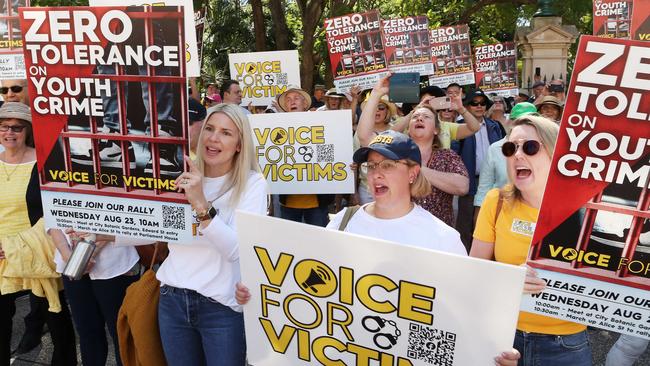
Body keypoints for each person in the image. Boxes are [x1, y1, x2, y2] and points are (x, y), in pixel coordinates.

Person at [236, 130, 521, 366]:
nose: (376, 174)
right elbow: (306, 289)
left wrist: (491, 352)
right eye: (371, 166)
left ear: (412, 173)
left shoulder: (441, 238)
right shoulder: (343, 222)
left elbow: (463, 314)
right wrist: (258, 291)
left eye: (387, 165)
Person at [70, 104, 267, 365]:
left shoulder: (253, 184)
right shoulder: (179, 172)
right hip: (172, 300)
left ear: (240, 144)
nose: (213, 138)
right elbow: (160, 228)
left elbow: (236, 250)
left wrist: (201, 205)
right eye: (209, 128)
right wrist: (107, 234)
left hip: (222, 308)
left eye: (226, 133)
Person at [471, 115, 592, 366]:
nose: (517, 155)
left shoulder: (586, 209)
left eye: (530, 147)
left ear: (556, 154)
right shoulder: (496, 201)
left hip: (565, 343)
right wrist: (511, 279)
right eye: (510, 147)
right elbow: (475, 270)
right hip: (505, 336)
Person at [0, 102, 77, 366]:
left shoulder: (44, 161)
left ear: (28, 130)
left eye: (17, 127)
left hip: (38, 251)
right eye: (4, 126)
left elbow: (55, 209)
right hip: (2, 255)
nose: (10, 132)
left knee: (55, 318)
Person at [358, 77, 468, 226]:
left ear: (436, 129)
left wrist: (416, 168)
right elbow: (364, 137)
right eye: (415, 117)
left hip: (436, 235)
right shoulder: (394, 151)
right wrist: (376, 94)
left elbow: (462, 187)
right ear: (408, 128)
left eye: (426, 117)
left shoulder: (447, 156)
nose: (419, 119)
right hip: (400, 230)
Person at [49, 226, 139, 366]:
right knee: (87, 332)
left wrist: (88, 254)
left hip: (114, 263)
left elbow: (121, 214)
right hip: (71, 260)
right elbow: (51, 219)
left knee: (122, 333)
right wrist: (66, 253)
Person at [452, 89, 505, 251]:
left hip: (494, 183)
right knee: (466, 223)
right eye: (474, 103)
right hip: (471, 182)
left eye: (482, 103)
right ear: (467, 106)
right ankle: (465, 255)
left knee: (492, 221)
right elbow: (453, 155)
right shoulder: (459, 127)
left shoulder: (495, 126)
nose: (479, 106)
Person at [275, 86, 332, 226]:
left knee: (319, 243)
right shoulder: (276, 128)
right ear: (285, 106)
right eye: (288, 100)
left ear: (305, 104)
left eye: (296, 98)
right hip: (289, 202)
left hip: (317, 203)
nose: (292, 102)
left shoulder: (322, 124)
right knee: (290, 244)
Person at [473, 102, 537, 210]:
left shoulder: (544, 148)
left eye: (530, 122)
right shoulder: (495, 149)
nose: (526, 126)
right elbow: (483, 190)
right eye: (520, 122)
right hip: (502, 211)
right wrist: (479, 220)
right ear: (511, 123)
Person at [354, 92, 397, 204]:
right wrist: (354, 193)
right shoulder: (359, 133)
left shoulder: (397, 133)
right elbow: (354, 165)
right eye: (374, 107)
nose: (377, 110)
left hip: (392, 187)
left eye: (381, 107)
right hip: (365, 189)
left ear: (387, 111)